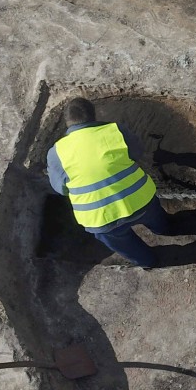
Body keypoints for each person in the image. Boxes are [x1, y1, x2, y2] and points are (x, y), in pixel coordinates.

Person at [47, 97, 170, 269]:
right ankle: (164, 229)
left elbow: (60, 189)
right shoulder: (114, 130)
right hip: (140, 200)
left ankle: (148, 262)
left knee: (124, 244)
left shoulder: (56, 153)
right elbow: (137, 152)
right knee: (156, 217)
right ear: (93, 115)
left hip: (99, 219)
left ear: (67, 122)